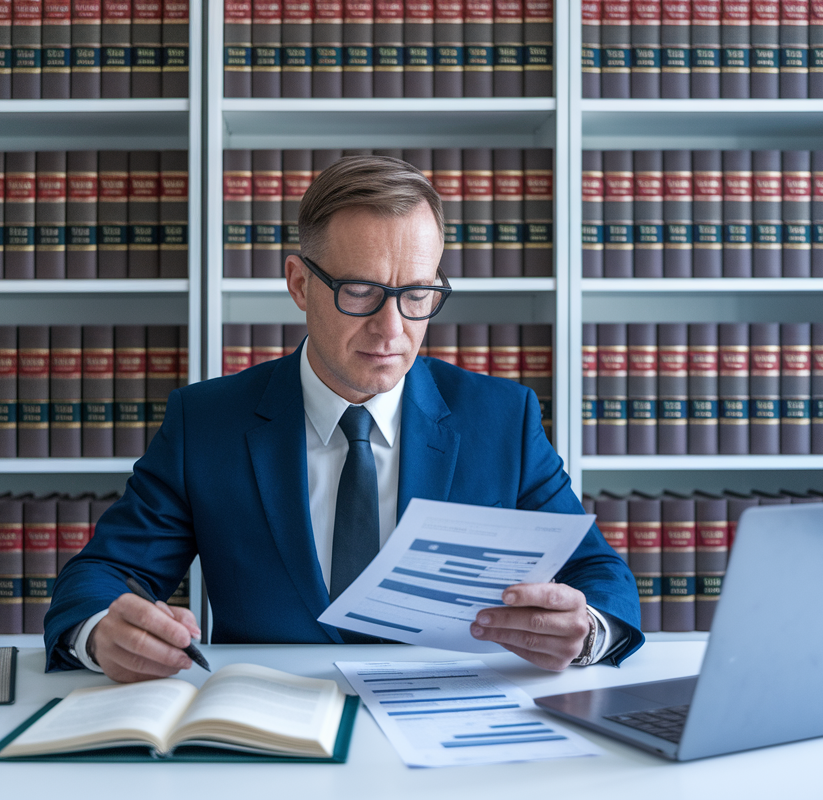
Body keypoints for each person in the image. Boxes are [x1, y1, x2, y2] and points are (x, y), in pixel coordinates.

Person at [44, 156, 642, 680]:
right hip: (268, 730)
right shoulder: (206, 423)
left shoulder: (502, 419)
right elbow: (101, 574)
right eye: (360, 291)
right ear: (300, 283)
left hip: (450, 733)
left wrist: (586, 630)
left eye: (417, 294)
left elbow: (598, 571)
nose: (392, 329)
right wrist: (101, 633)